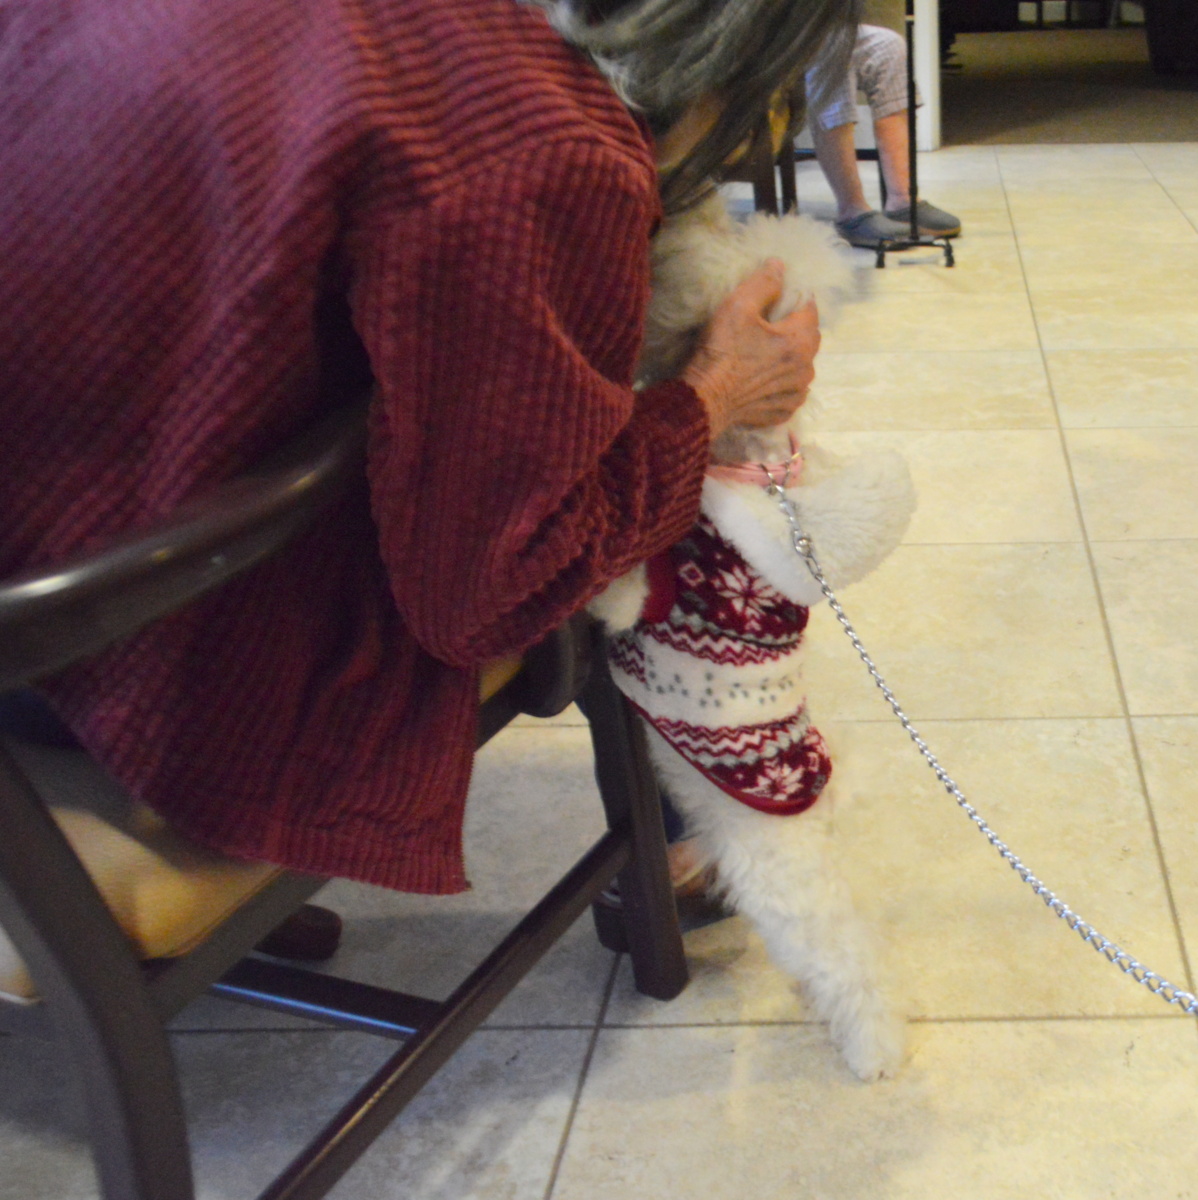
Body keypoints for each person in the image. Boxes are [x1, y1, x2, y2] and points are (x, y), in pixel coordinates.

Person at [0, 0, 855, 895]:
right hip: (100, 664)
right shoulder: (540, 132)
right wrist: (713, 395)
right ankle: (705, 839)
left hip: (47, 555)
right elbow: (493, 592)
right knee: (643, 512)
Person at [807, 23, 962, 246]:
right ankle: (851, 211)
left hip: (819, 24)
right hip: (772, 34)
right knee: (833, 45)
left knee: (888, 44)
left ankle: (902, 201)